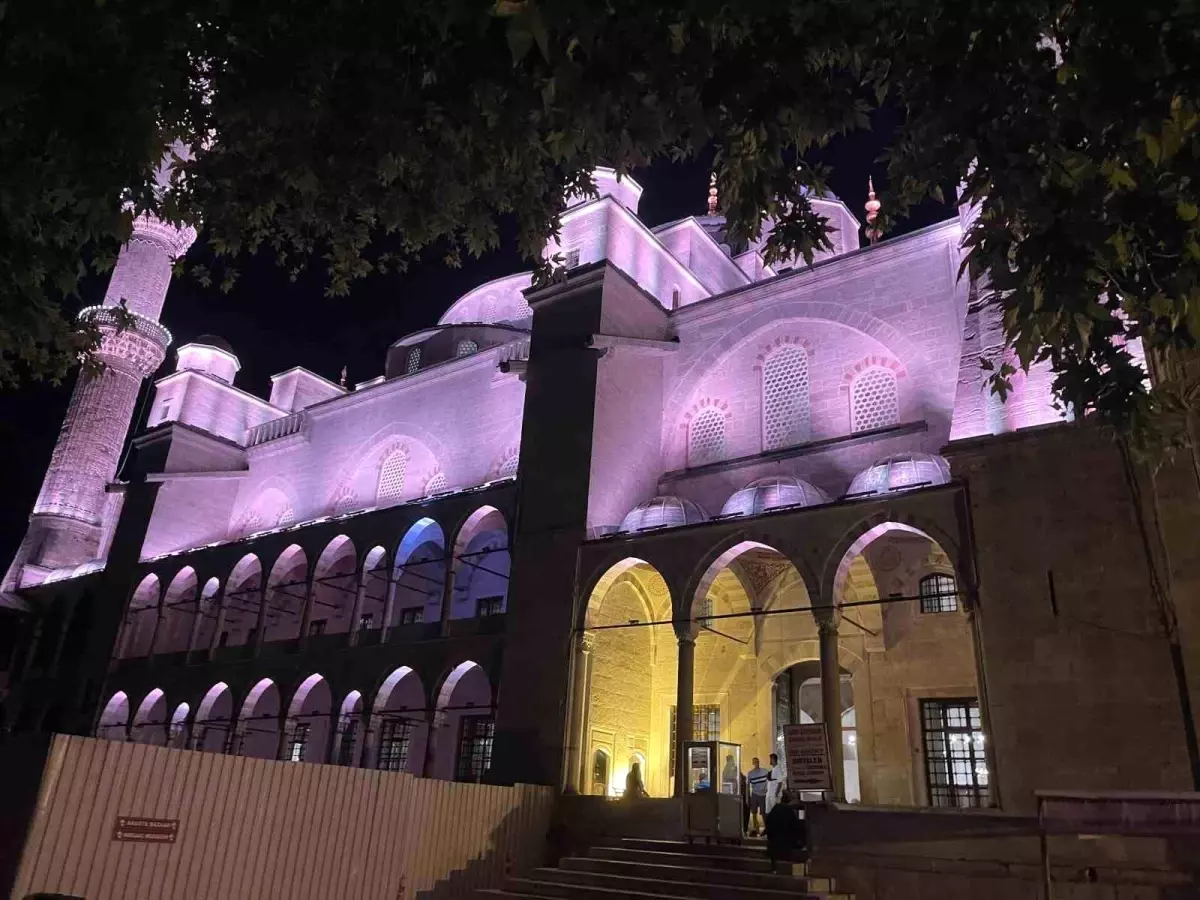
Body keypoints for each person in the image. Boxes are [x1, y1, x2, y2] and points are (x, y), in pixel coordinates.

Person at [764, 788, 803, 873]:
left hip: (774, 841)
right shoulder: (788, 811)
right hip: (785, 842)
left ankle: (774, 869)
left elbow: (768, 822)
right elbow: (795, 826)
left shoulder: (776, 808)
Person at [746, 757, 771, 836]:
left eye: (757, 762)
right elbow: (747, 786)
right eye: (754, 762)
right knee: (754, 813)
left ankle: (767, 829)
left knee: (763, 813)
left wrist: (769, 791)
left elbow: (771, 779)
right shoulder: (750, 773)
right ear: (753, 763)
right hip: (754, 794)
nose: (756, 763)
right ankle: (756, 830)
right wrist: (747, 797)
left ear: (759, 762)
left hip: (763, 795)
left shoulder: (764, 771)